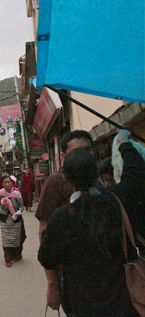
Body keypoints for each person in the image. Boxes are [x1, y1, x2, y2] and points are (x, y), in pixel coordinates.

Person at [38, 130, 145, 316]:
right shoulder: (116, 200)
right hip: (124, 300)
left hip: (83, 303)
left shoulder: (62, 218)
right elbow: (136, 174)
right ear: (96, 169)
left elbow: (47, 257)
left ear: (67, 177)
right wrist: (123, 143)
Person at [35, 130, 93, 314]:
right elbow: (45, 232)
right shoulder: (56, 183)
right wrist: (52, 283)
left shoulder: (98, 183)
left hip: (106, 276)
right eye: (76, 152)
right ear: (63, 157)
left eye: (87, 150)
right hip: (71, 277)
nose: (83, 157)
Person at [0, 175, 26, 267]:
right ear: (2, 184)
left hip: (16, 218)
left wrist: (18, 212)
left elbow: (21, 206)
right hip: (5, 218)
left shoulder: (16, 193)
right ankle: (8, 259)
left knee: (18, 237)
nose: (8, 184)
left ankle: (17, 254)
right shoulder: (0, 193)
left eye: (9, 182)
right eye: (5, 182)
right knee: (6, 239)